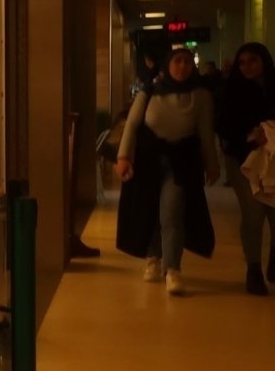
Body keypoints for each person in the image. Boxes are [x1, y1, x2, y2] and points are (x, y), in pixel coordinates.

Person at [115, 47, 219, 295]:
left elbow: (206, 133)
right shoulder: (149, 91)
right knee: (151, 209)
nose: (182, 66)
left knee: (171, 212)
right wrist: (123, 156)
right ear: (167, 65)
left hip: (180, 163)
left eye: (187, 62)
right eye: (177, 61)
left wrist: (212, 165)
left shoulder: (200, 95)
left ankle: (173, 269)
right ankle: (153, 257)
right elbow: (132, 124)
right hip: (149, 161)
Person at [215, 41, 275, 295]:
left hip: (274, 159)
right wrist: (250, 136)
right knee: (252, 215)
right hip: (242, 160)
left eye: (253, 60)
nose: (247, 66)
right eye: (242, 62)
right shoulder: (232, 90)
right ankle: (253, 270)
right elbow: (224, 127)